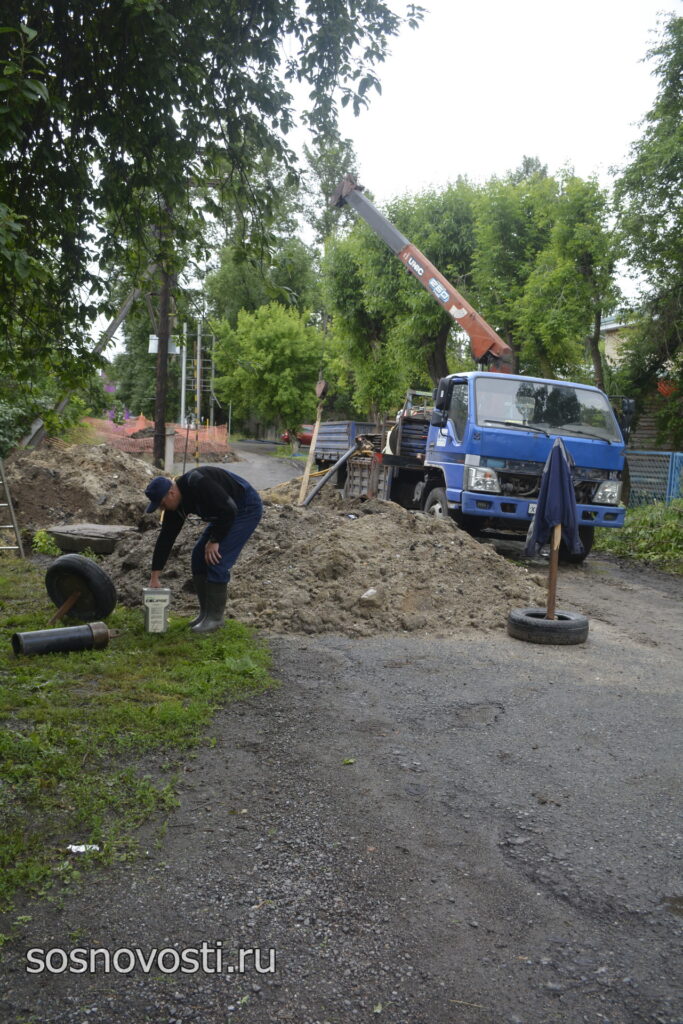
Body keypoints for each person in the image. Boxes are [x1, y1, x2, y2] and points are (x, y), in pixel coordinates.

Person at [144, 466, 263, 634]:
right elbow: (166, 538)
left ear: (171, 493)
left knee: (217, 558)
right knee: (199, 556)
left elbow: (229, 510)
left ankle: (215, 620)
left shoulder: (198, 482)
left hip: (244, 508)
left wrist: (215, 540)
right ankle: (205, 615)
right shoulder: (176, 505)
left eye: (162, 505)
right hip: (223, 514)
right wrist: (154, 577)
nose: (162, 509)